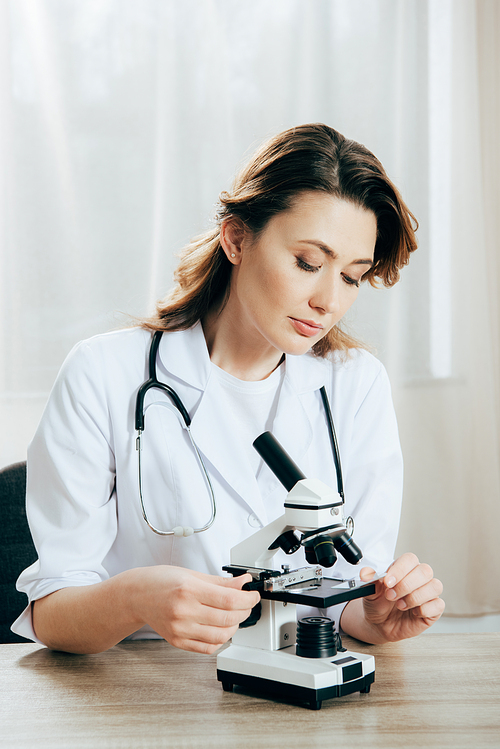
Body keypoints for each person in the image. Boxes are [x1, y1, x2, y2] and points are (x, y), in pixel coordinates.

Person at [13, 123, 445, 654]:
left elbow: (352, 589)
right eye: (308, 263)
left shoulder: (356, 384)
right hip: (149, 695)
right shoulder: (104, 373)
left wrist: (375, 616)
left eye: (353, 276)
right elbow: (53, 613)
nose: (328, 301)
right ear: (237, 239)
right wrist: (134, 600)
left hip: (297, 689)